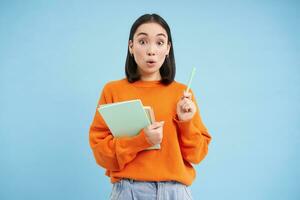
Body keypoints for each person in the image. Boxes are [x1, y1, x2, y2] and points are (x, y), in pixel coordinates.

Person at [89, 13, 212, 200]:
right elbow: (102, 155)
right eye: (143, 41)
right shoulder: (113, 90)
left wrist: (185, 123)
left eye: (160, 43)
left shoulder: (183, 95)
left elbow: (197, 155)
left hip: (176, 192)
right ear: (131, 46)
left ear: (168, 49)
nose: (151, 50)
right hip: (128, 191)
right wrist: (142, 140)